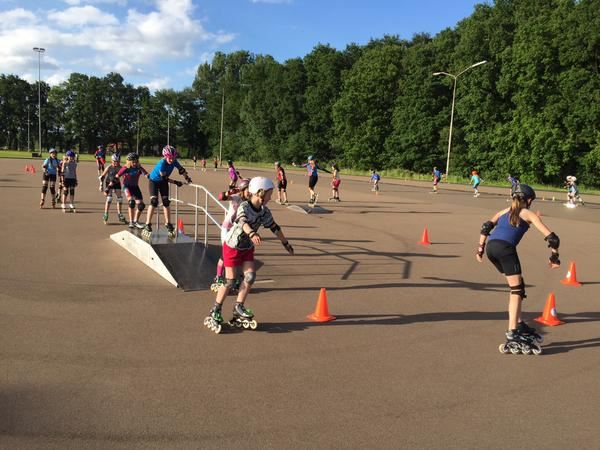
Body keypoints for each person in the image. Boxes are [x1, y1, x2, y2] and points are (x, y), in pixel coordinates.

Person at [475, 184, 560, 355]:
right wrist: (554, 256)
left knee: (518, 286)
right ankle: (512, 332)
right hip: (505, 250)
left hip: (492, 248)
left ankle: (519, 323)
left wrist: (480, 249)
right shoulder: (527, 213)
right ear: (528, 200)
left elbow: (486, 227)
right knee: (516, 290)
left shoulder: (504, 211)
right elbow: (552, 238)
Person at [204, 177, 294, 334]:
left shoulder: (265, 212)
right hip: (232, 246)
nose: (270, 197)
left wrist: (285, 243)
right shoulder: (244, 206)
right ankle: (215, 310)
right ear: (260, 193)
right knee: (231, 280)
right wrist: (252, 233)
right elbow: (242, 222)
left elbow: (274, 227)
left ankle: (238, 307)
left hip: (246, 247)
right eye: (269, 194)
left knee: (250, 276)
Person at [210, 178, 252, 293]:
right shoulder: (236, 198)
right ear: (243, 189)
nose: (250, 192)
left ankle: (235, 279)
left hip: (239, 231)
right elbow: (221, 197)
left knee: (238, 255)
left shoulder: (250, 202)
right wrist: (232, 191)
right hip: (227, 229)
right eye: (248, 190)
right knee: (225, 255)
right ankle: (218, 277)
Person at [142, 145, 192, 237]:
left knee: (166, 202)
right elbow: (165, 178)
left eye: (173, 158)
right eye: (170, 158)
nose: (172, 160)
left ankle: (168, 224)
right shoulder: (162, 164)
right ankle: (147, 224)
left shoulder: (174, 161)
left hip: (163, 182)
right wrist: (176, 182)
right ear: (165, 156)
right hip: (154, 182)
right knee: (154, 202)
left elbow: (181, 170)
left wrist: (187, 177)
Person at [116, 153, 149, 228]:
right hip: (127, 187)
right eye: (133, 162)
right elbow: (117, 176)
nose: (134, 163)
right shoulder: (125, 168)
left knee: (141, 205)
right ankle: (131, 222)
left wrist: (154, 178)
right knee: (132, 202)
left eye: (136, 161)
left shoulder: (139, 168)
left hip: (135, 187)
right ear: (129, 162)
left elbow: (147, 175)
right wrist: (109, 187)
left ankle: (135, 221)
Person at [99, 154, 126, 224]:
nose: (116, 163)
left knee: (120, 198)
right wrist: (101, 185)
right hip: (109, 183)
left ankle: (120, 214)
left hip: (117, 183)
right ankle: (106, 214)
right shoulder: (109, 167)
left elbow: (124, 177)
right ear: (111, 161)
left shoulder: (121, 168)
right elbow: (102, 177)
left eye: (118, 161)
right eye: (115, 161)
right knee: (109, 198)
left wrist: (124, 185)